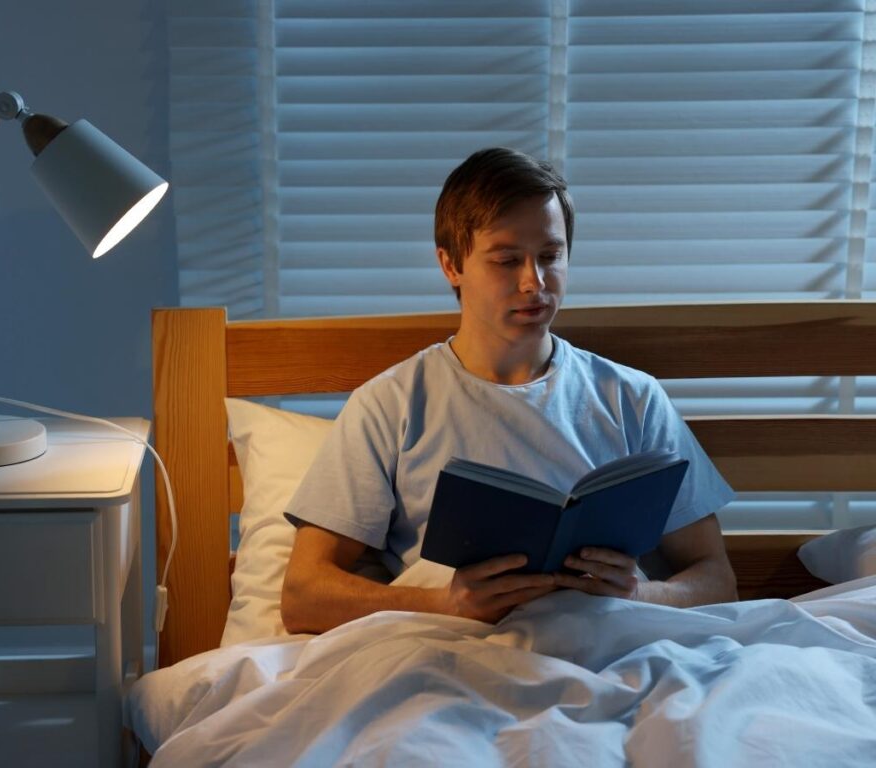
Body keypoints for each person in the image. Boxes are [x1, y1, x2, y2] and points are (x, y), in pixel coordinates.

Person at [281, 147, 737, 635]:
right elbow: (303, 596)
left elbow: (717, 582)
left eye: (550, 256)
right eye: (506, 260)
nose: (533, 283)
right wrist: (445, 604)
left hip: (605, 650)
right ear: (451, 265)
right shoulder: (391, 403)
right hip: (453, 656)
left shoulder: (633, 398)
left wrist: (638, 594)